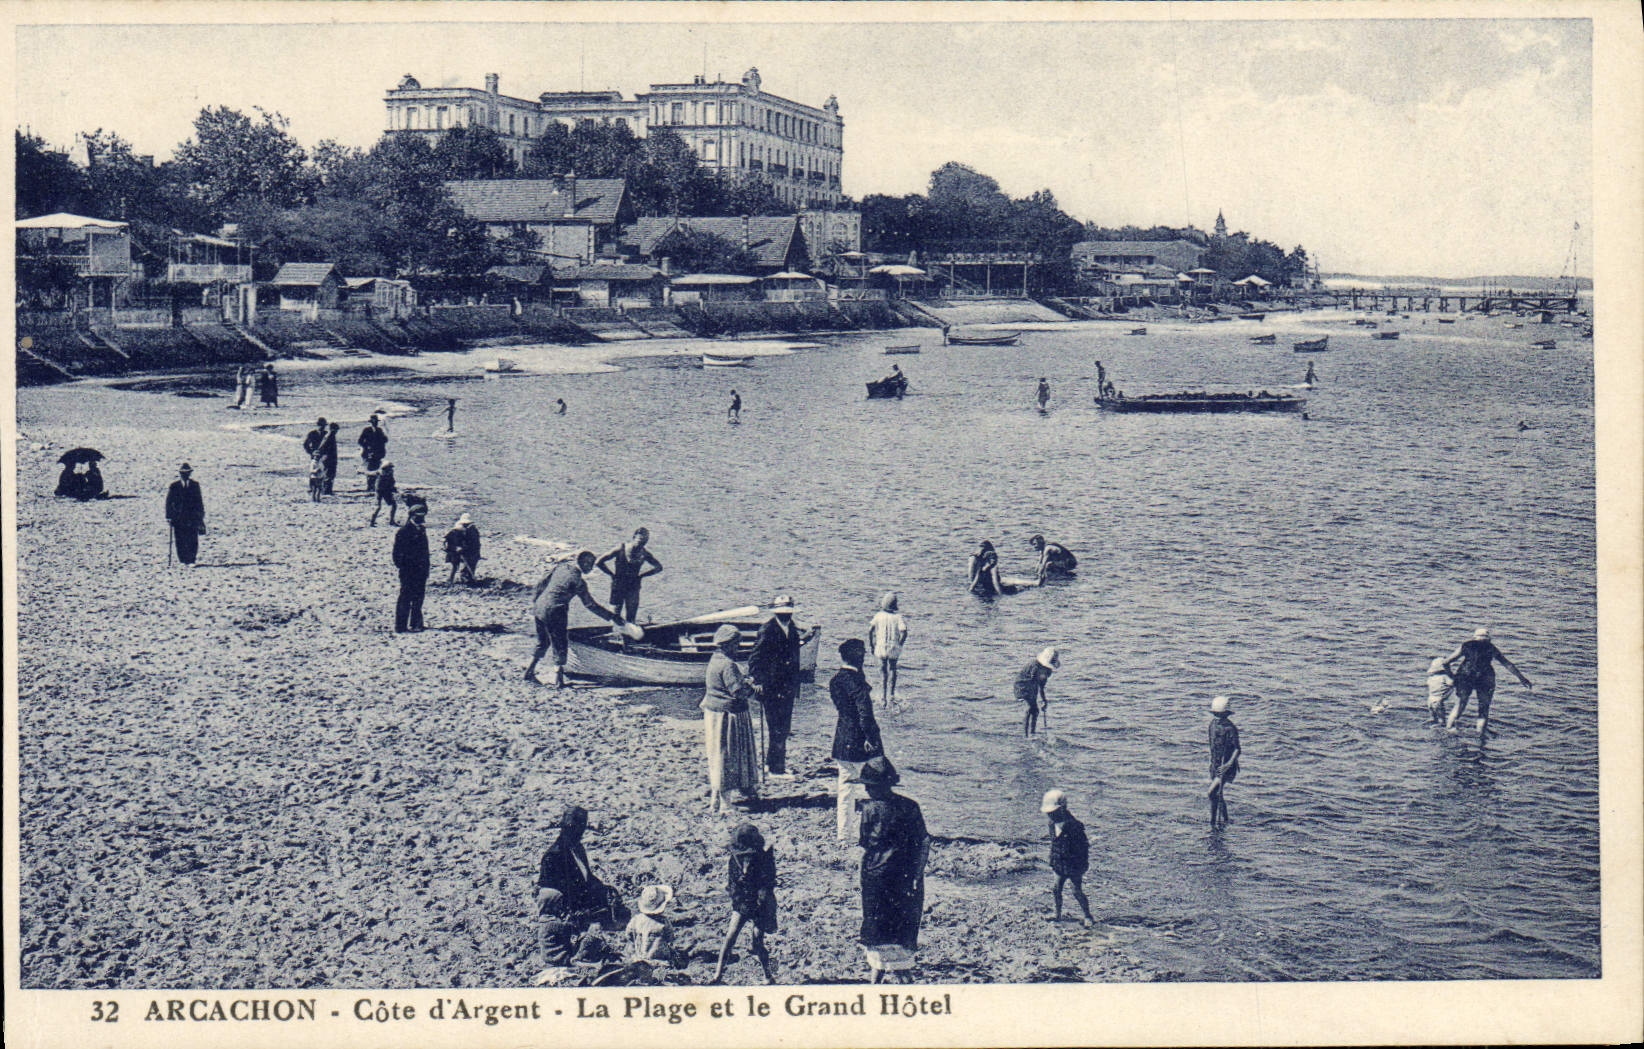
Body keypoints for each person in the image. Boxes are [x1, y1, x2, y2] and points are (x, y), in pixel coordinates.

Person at [855, 756, 929, 984]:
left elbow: (865, 843)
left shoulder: (869, 810)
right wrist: (917, 873)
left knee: (877, 927)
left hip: (875, 876)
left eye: (868, 785)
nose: (866, 789)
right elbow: (924, 842)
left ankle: (879, 979)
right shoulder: (910, 806)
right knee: (902, 926)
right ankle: (892, 976)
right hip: (904, 876)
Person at [526, 551, 623, 687]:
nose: (591, 568)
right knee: (560, 644)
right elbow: (591, 605)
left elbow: (542, 582)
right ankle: (558, 680)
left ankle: (529, 671)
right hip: (556, 610)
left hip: (540, 607)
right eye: (590, 565)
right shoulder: (578, 582)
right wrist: (612, 617)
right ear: (582, 563)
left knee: (542, 641)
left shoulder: (562, 567)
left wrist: (536, 601)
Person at [748, 595, 812, 777]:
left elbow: (791, 651)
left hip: (788, 687)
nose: (786, 616)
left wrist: (804, 640)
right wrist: (758, 681)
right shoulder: (767, 630)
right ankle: (775, 768)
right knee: (776, 727)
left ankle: (775, 764)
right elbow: (754, 658)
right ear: (776, 613)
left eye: (788, 613)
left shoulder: (792, 628)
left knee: (783, 728)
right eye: (782, 613)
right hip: (772, 687)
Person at [701, 624, 761, 814]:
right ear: (728, 644)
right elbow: (739, 691)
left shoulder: (715, 660)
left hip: (714, 712)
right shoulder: (728, 665)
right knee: (728, 756)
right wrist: (756, 690)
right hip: (729, 717)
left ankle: (743, 789)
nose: (738, 647)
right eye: (736, 644)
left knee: (720, 754)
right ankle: (725, 802)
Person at [711, 822, 778, 985]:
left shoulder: (765, 860)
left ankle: (768, 975)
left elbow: (766, 887)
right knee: (730, 937)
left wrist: (760, 904)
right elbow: (732, 886)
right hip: (742, 902)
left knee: (757, 941)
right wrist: (741, 901)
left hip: (761, 904)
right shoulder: (733, 861)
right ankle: (717, 976)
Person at [537, 804, 626, 927]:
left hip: (582, 897)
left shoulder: (578, 848)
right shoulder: (554, 855)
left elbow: (586, 877)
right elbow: (549, 892)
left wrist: (604, 889)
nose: (579, 834)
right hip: (568, 906)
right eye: (575, 830)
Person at [831, 638, 883, 842]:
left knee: (845, 789)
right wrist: (870, 737)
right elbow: (865, 713)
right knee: (876, 786)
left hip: (842, 736)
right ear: (859, 658)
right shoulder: (858, 684)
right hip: (861, 739)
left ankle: (843, 835)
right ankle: (876, 832)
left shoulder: (836, 679)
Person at [1443, 628, 1532, 747]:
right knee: (1483, 710)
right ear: (1488, 639)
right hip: (1485, 677)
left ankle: (1449, 732)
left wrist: (1451, 677)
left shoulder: (1466, 645)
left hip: (1465, 675)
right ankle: (1480, 739)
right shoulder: (1491, 647)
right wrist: (1522, 678)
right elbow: (1507, 664)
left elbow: (1445, 662)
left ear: (1474, 637)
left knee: (1459, 705)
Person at [1041, 789, 1095, 926]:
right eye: (1049, 813)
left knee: (1076, 890)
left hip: (1073, 865)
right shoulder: (1051, 824)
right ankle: (1057, 915)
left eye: (1053, 812)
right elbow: (1054, 843)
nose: (1050, 815)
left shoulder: (1075, 826)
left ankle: (1088, 916)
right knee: (1056, 889)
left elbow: (1083, 849)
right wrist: (1052, 859)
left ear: (1063, 809)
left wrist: (1080, 867)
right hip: (1059, 862)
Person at [596, 528, 664, 622]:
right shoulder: (621, 548)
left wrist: (642, 575)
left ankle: (630, 634)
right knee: (615, 617)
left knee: (631, 618)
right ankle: (615, 634)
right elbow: (598, 562)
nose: (641, 544)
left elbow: (659, 567)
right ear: (634, 537)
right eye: (640, 541)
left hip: (633, 587)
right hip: (618, 586)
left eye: (644, 542)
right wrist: (611, 574)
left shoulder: (644, 554)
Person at [391, 502, 430, 633]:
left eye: (423, 516)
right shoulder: (403, 531)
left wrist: (426, 568)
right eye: (419, 516)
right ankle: (400, 626)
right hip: (408, 571)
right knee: (405, 598)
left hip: (421, 570)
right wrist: (405, 567)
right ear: (412, 516)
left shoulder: (422, 530)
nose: (421, 519)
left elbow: (425, 551)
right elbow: (396, 554)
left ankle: (416, 623)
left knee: (419, 598)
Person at [625, 886, 685, 968]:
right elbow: (670, 938)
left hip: (639, 960)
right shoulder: (663, 922)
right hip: (660, 962)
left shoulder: (636, 919)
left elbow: (628, 935)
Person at [868, 592, 908, 706]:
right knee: (893, 669)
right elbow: (904, 632)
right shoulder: (898, 617)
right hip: (893, 647)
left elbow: (870, 630)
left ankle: (883, 696)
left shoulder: (878, 615)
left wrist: (872, 644)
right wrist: (900, 644)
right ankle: (891, 695)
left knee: (883, 670)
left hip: (880, 647)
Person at [1207, 696, 1241, 828]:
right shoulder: (1212, 725)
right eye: (1217, 714)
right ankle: (1224, 821)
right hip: (1215, 765)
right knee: (1218, 795)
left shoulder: (1230, 728)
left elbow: (1237, 749)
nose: (1219, 717)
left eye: (1221, 715)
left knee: (1211, 793)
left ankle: (1212, 822)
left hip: (1226, 767)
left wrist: (1228, 764)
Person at [165, 463, 206, 566]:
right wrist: (169, 516)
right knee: (180, 539)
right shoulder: (174, 486)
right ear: (180, 474)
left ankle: (192, 559)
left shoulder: (195, 485)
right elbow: (169, 502)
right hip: (178, 518)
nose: (185, 475)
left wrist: (200, 516)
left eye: (187, 473)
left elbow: (199, 501)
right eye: (183, 473)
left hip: (192, 517)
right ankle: (183, 560)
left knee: (192, 538)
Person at [1016, 647, 1058, 737]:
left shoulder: (1048, 671)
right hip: (1022, 686)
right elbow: (1031, 681)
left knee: (1035, 711)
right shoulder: (1034, 666)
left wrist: (1044, 700)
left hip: (1033, 688)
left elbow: (1041, 686)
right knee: (1028, 708)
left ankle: (1032, 733)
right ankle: (1025, 735)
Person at [444, 514, 480, 584]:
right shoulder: (456, 530)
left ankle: (467, 578)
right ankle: (451, 579)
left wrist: (463, 548)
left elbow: (473, 543)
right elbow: (451, 541)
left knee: (470, 563)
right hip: (455, 549)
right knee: (455, 565)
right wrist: (456, 548)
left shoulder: (473, 530)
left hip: (469, 550)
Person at [358, 415, 388, 493]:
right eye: (373, 422)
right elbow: (360, 441)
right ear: (371, 422)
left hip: (377, 453)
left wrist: (385, 430)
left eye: (376, 422)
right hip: (368, 453)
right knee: (369, 469)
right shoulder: (366, 430)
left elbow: (385, 440)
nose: (375, 423)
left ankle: (374, 486)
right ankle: (369, 486)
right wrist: (366, 447)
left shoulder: (379, 430)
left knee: (376, 469)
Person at [1426, 656, 1455, 726]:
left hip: (1430, 699)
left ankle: (1434, 721)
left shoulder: (1431, 677)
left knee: (1433, 713)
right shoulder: (1444, 677)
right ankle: (1441, 724)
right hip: (1438, 699)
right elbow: (1452, 683)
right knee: (1441, 716)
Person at [369, 462, 399, 527]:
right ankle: (391, 521)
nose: (391, 469)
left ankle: (372, 522)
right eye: (390, 467)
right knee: (380, 507)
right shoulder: (382, 473)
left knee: (382, 507)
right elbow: (391, 483)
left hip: (384, 491)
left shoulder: (381, 473)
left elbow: (391, 482)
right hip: (382, 491)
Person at [319, 421, 341, 495]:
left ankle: (328, 490)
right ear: (332, 429)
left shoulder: (330, 435)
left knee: (330, 474)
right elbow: (322, 447)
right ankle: (326, 490)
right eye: (336, 430)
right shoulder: (329, 436)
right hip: (328, 458)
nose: (337, 431)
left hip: (329, 458)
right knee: (328, 474)